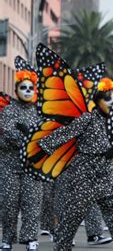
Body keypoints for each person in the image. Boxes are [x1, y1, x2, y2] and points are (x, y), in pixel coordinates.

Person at [38, 77, 113, 251]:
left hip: (106, 173)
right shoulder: (88, 119)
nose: (112, 103)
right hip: (84, 173)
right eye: (107, 98)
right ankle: (62, 246)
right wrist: (41, 148)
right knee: (73, 215)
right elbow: (67, 133)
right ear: (97, 101)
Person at [0, 63, 43, 251]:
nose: (27, 90)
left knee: (32, 203)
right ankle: (8, 238)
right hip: (10, 164)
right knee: (8, 204)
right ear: (16, 90)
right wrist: (28, 139)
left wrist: (31, 140)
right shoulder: (9, 110)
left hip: (32, 166)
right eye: (23, 87)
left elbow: (45, 136)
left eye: (30, 88)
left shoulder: (40, 112)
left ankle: (30, 238)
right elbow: (8, 133)